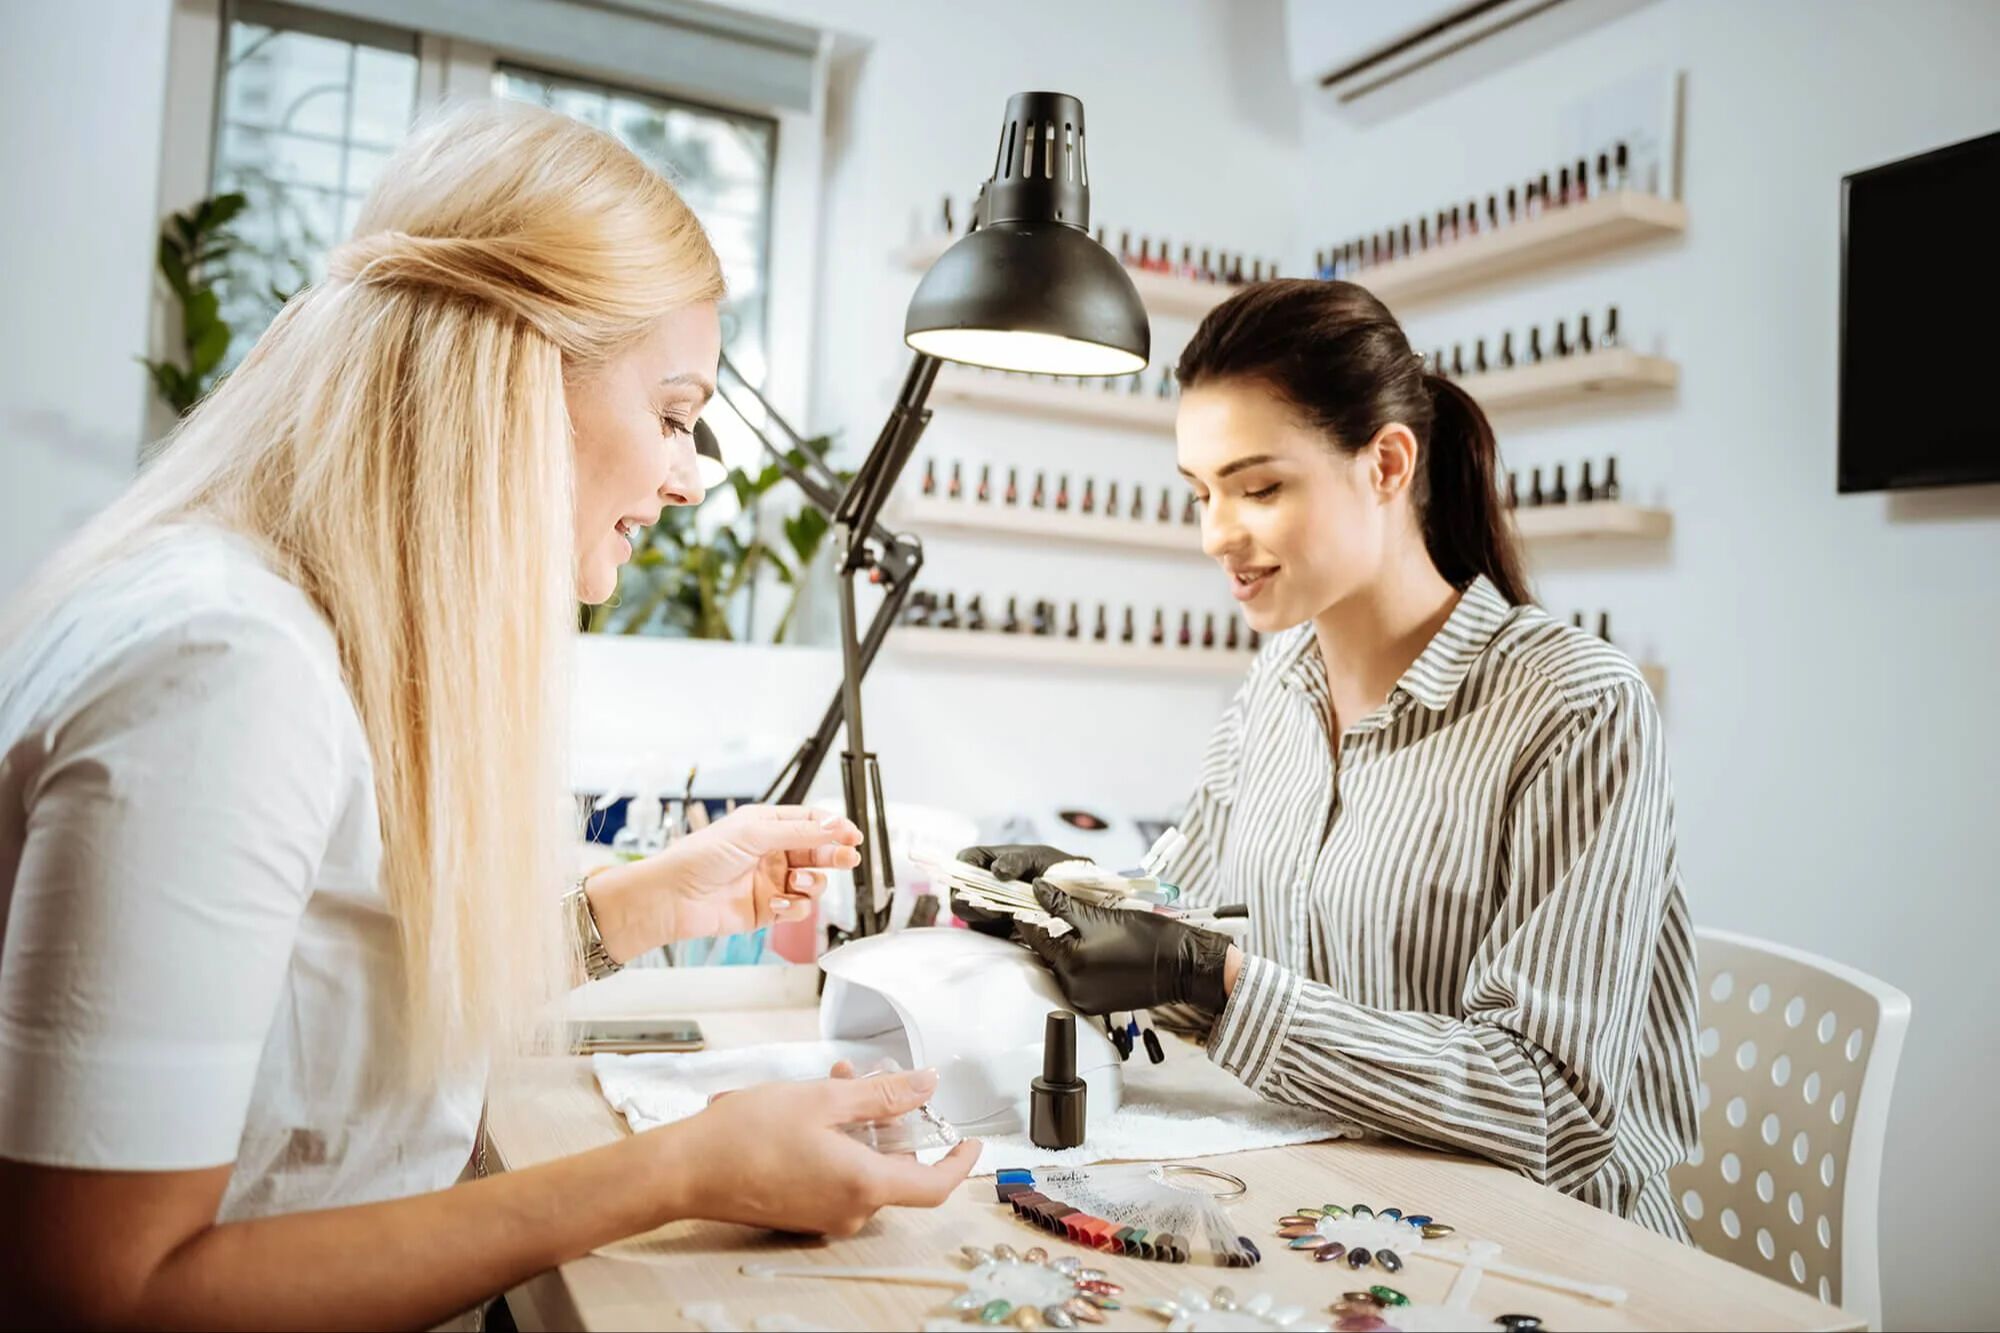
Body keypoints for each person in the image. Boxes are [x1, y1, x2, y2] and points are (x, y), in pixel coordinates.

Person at [0, 101, 975, 1331]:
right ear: (509, 380)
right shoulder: (224, 674)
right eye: (673, 414)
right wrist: (679, 1168)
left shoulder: (293, 632)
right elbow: (101, 1292)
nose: (687, 476)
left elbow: (319, 985)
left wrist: (630, 910)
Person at [961, 279, 1700, 1240]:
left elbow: (1552, 1108)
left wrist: (1212, 983)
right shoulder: (1277, 685)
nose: (1216, 533)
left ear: (1387, 463)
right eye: (1202, 492)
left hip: (1543, 1248)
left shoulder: (1574, 706)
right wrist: (1071, 903)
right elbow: (1187, 925)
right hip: (1346, 1206)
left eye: (1259, 487)